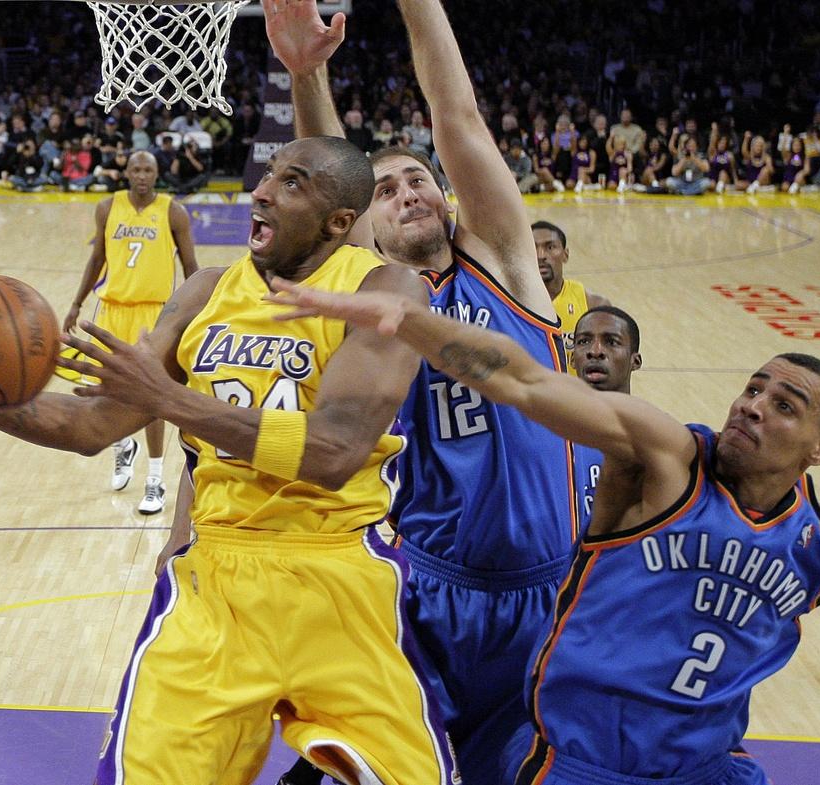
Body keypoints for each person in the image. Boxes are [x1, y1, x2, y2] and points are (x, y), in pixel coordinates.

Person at [0, 136, 457, 785]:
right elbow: (97, 424)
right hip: (214, 585)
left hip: (340, 577)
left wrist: (169, 398)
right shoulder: (204, 293)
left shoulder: (383, 286)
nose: (260, 189)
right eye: (268, 176)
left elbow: (335, 448)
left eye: (293, 182)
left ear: (339, 222)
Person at [265, 278, 820, 785]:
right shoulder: (667, 461)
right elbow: (524, 381)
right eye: (754, 388)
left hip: (704, 771)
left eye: (785, 405)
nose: (752, 404)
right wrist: (407, 319)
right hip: (581, 767)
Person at [263, 0, 574, 782]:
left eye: (419, 180)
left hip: (547, 594)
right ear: (355, 222)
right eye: (386, 189)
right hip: (420, 590)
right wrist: (307, 73)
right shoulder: (372, 293)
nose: (407, 192)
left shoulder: (504, 264)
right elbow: (332, 171)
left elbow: (456, 115)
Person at [62, 150, 198, 514]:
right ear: (126, 171)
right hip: (113, 310)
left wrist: (198, 315)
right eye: (136, 169)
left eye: (148, 169)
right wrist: (76, 303)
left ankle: (155, 479)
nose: (141, 175)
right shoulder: (108, 207)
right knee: (101, 389)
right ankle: (123, 445)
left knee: (150, 400)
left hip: (154, 314)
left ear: (157, 173)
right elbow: (97, 259)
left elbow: (192, 269)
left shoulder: (173, 211)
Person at [568, 306, 641, 524]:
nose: (595, 351)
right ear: (572, 359)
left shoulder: (655, 442)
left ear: (634, 361)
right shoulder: (546, 435)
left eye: (611, 342)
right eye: (583, 341)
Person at [533, 220, 609, 374]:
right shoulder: (507, 303)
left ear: (565, 255)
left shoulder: (593, 304)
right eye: (533, 247)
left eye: (550, 247)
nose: (541, 255)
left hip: (578, 396)